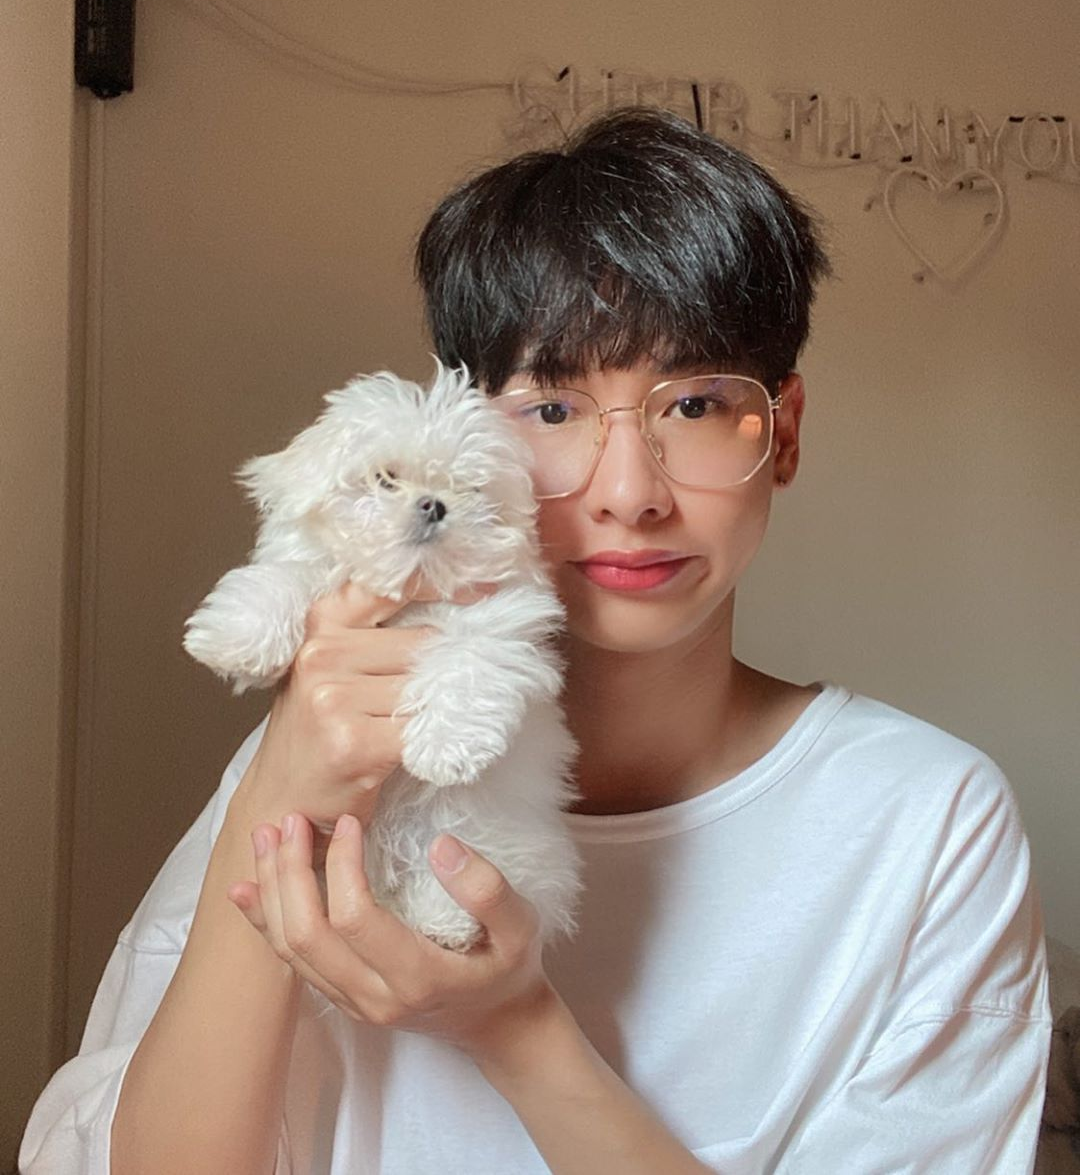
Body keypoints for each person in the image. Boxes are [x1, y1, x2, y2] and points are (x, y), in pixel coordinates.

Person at [20, 107, 1052, 1174]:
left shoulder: (926, 821)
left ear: (781, 434)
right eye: (554, 412)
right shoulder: (332, 745)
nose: (630, 493)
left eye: (696, 404)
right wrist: (281, 785)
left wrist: (514, 1029)